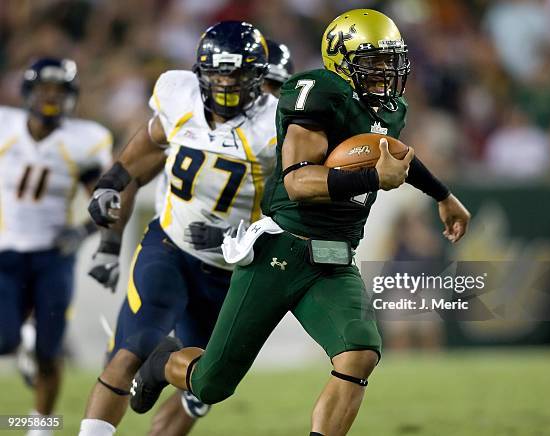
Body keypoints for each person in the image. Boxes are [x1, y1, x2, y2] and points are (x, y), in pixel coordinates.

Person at [131, 9, 471, 436]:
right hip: (281, 250)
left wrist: (443, 194)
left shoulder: (390, 107)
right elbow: (298, 182)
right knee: (212, 384)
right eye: (375, 61)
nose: (386, 71)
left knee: (359, 353)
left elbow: (391, 152)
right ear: (340, 61)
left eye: (390, 60)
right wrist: (372, 177)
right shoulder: (316, 93)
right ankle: (163, 359)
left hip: (335, 257)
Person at [79, 21, 278, 436]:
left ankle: (159, 361)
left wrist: (236, 239)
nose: (225, 84)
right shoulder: (178, 94)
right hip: (169, 245)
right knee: (129, 350)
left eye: (236, 75)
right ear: (200, 71)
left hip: (233, 274)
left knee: (204, 386)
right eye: (218, 74)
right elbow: (147, 148)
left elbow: (296, 213)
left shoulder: (276, 127)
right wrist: (112, 183)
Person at [0, 57, 112, 435]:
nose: (51, 98)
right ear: (28, 93)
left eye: (59, 91)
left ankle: (40, 428)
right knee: (4, 339)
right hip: (4, 251)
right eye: (44, 90)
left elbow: (104, 202)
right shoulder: (5, 126)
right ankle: (23, 343)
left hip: (53, 254)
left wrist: (81, 233)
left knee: (51, 349)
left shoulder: (85, 139)